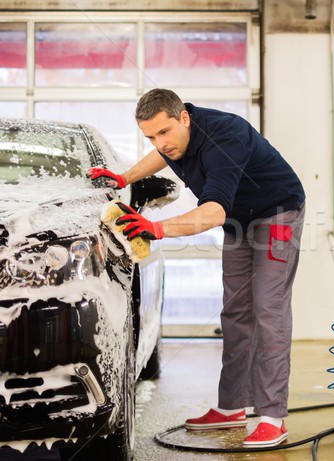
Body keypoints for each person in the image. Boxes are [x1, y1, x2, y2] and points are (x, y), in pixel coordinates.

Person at [87, 88, 305, 447]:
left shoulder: (225, 138)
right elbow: (160, 157)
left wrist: (157, 228)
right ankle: (232, 408)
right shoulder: (173, 139)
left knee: (269, 309)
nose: (160, 143)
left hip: (278, 212)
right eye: (151, 136)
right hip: (239, 219)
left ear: (183, 117)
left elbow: (213, 212)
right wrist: (125, 177)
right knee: (235, 312)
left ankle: (272, 417)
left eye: (164, 132)